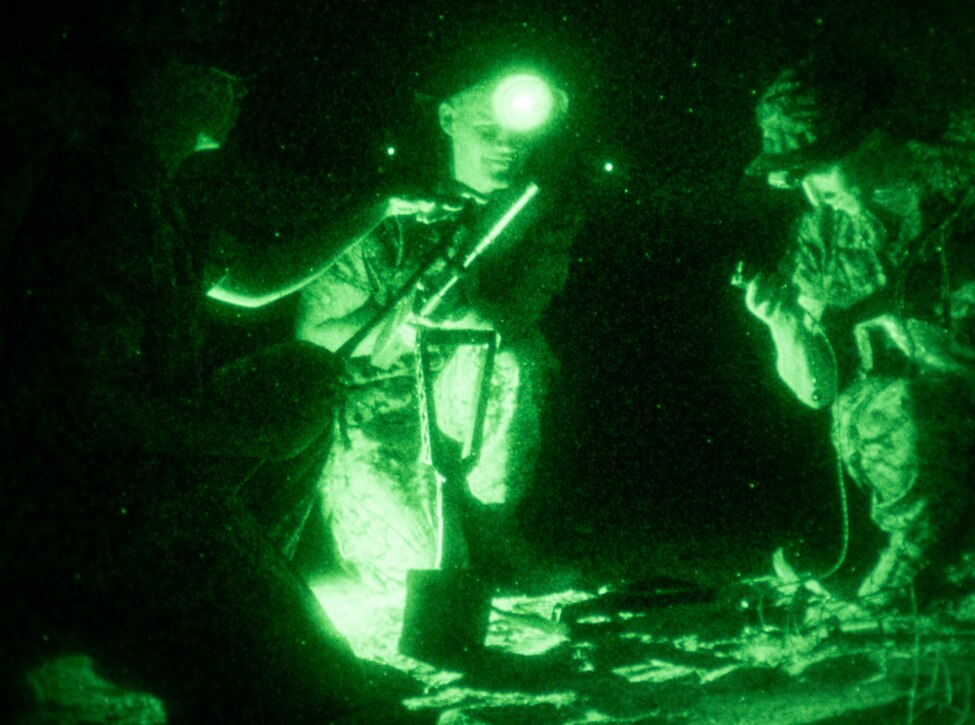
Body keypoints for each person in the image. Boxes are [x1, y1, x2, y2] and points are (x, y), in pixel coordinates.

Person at [0, 52, 426, 723]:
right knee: (319, 693)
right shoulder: (103, 202)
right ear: (158, 83)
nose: (239, 92)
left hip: (136, 468)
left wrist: (379, 205)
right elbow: (93, 404)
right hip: (85, 495)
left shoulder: (156, 190)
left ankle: (250, 602)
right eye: (220, 76)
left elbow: (252, 279)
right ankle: (224, 619)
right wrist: (254, 434)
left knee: (304, 374)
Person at [737, 58, 975, 614]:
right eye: (795, 176)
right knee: (908, 402)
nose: (808, 192)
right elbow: (816, 392)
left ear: (871, 136)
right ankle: (920, 563)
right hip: (916, 459)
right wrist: (781, 325)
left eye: (818, 166)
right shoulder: (820, 238)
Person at [295, 64, 576, 598]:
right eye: (488, 132)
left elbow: (521, 320)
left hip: (459, 403)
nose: (505, 148)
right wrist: (399, 325)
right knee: (416, 574)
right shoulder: (387, 210)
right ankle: (436, 534)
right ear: (447, 117)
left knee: (516, 354)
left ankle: (495, 528)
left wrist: (465, 311)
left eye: (518, 137)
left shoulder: (541, 214)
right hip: (377, 409)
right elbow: (315, 335)